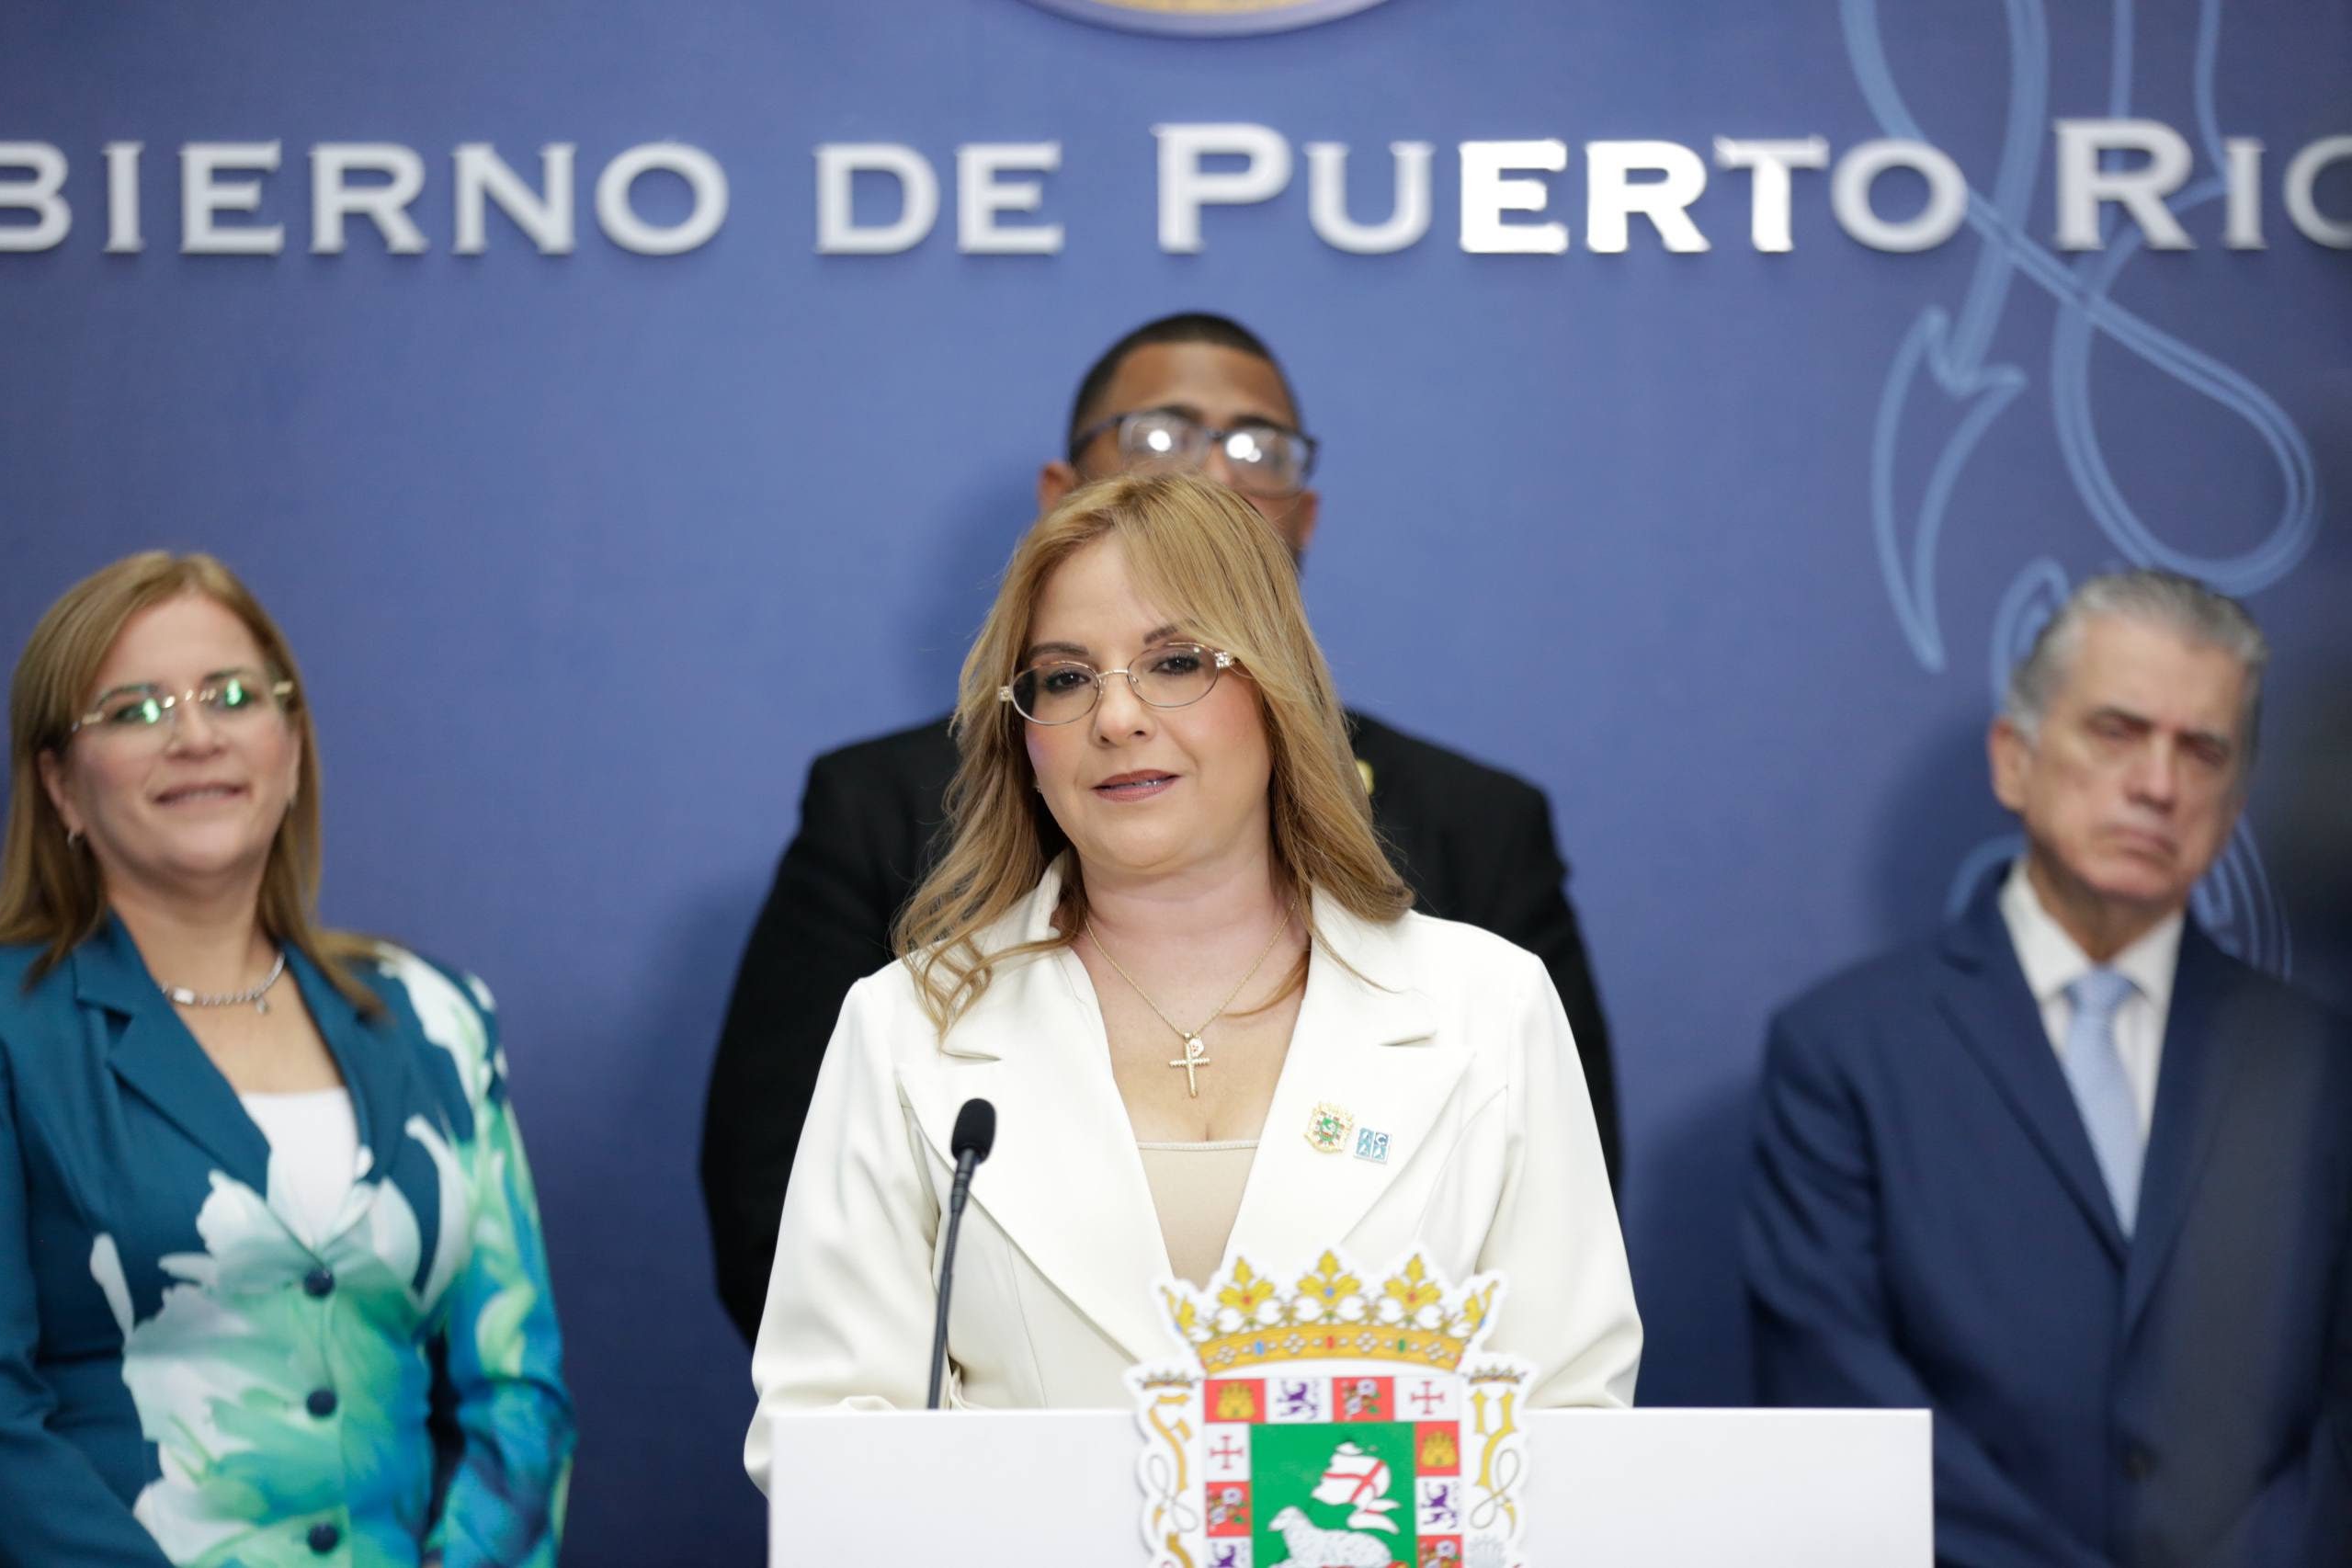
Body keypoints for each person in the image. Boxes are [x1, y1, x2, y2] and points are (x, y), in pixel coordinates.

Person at [703, 312, 1619, 1346]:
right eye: (1063, 678)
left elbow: (1557, 1374)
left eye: (1178, 662)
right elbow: (833, 1372)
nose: (1118, 717)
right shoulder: (897, 1013)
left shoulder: (1489, 992)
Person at [1744, 570, 2350, 1566]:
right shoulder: (1844, 1053)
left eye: (2201, 750)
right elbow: (1835, 1397)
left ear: (2236, 803)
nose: (2157, 785)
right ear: (2014, 759)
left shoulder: (2319, 1065)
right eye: (2116, 731)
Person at [0, 554, 573, 1567]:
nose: (196, 735)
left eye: (232, 695)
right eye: (135, 710)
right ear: (60, 785)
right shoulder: (15, 1030)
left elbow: (514, 1388)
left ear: (293, 746)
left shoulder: (437, 1018)